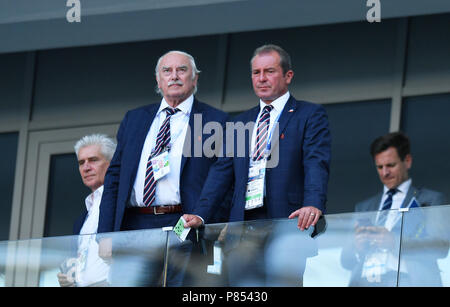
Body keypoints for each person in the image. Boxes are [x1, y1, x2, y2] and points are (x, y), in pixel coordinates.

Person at [183, 44, 331, 286]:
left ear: (288, 76)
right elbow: (221, 173)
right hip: (243, 229)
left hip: (287, 224)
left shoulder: (309, 114)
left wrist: (313, 203)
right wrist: (201, 214)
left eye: (270, 71)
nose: (261, 78)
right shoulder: (240, 121)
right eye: (256, 72)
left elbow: (316, 162)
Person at [98, 50, 228, 233]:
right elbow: (114, 179)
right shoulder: (134, 119)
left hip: (184, 223)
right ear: (158, 80)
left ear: (195, 78)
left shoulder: (216, 121)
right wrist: (104, 235)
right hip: (133, 224)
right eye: (167, 71)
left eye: (182, 70)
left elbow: (224, 180)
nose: (174, 76)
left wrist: (208, 219)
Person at [341, 131, 448, 286]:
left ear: (408, 161)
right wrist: (357, 247)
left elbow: (440, 248)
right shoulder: (364, 207)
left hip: (408, 282)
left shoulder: (431, 200)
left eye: (391, 165)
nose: (385, 173)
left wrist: (394, 242)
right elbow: (345, 260)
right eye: (380, 167)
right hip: (367, 282)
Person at [58, 134, 116, 287]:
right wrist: (71, 278)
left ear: (111, 164)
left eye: (93, 160)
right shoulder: (83, 218)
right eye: (81, 162)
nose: (86, 167)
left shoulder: (123, 203)